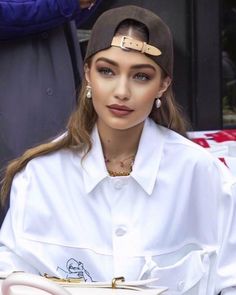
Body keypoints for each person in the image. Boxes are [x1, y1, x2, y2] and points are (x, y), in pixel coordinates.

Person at [0, 5, 236, 295]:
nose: (121, 91)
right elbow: (9, 277)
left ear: (163, 85)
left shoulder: (203, 175)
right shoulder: (39, 177)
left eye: (141, 76)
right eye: (107, 71)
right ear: (88, 74)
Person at [0, 0, 102, 224]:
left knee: (63, 209)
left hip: (62, 86)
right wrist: (66, 5)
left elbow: (74, 16)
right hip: (14, 92)